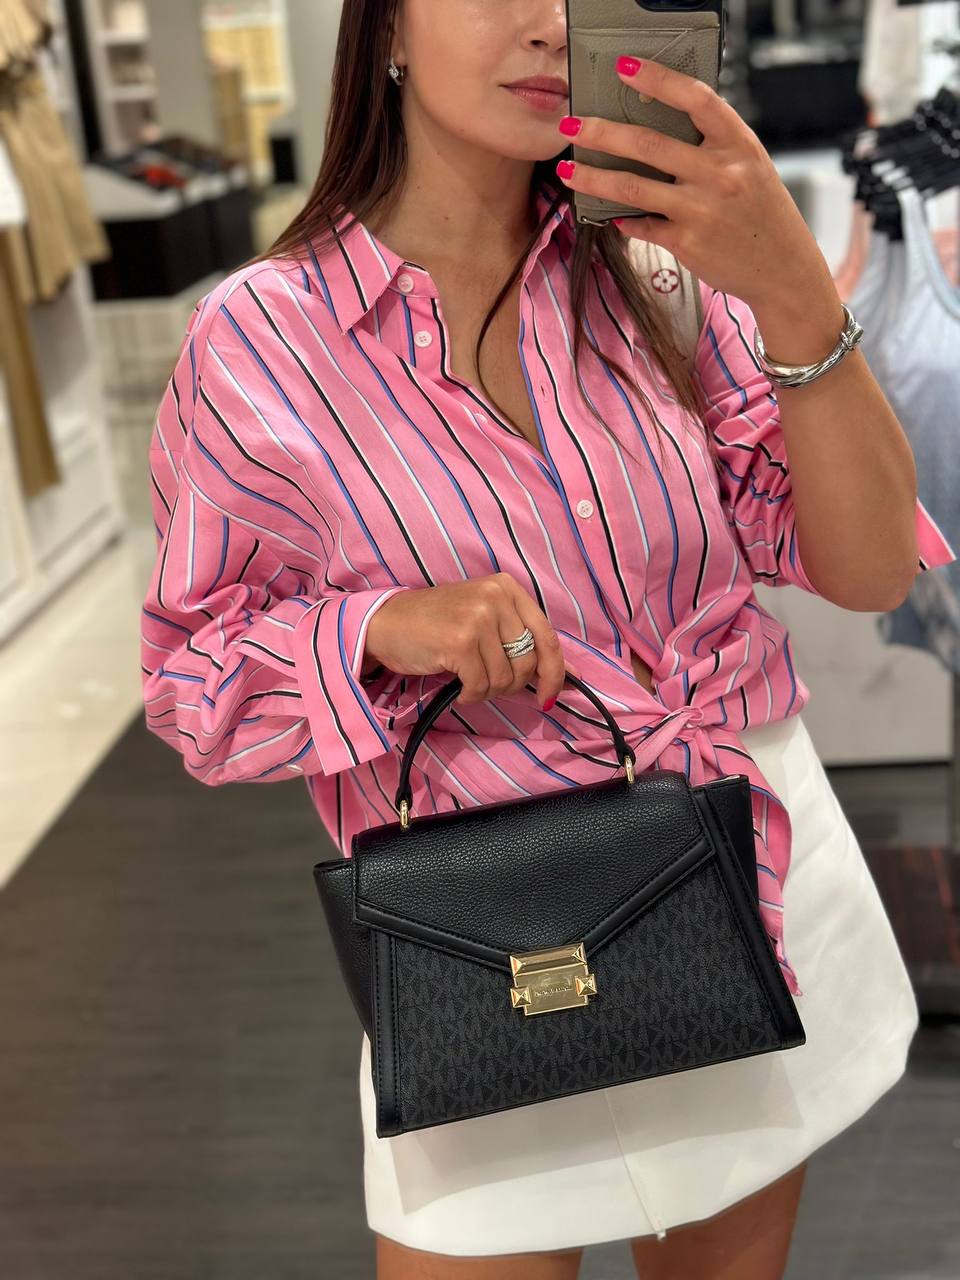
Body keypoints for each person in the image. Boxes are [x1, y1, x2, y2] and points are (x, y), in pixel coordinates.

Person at [140, 2, 956, 1277]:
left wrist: (795, 286)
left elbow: (869, 566)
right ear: (387, 28)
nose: (547, 23)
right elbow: (196, 684)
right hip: (486, 940)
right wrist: (376, 626)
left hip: (741, 872)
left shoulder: (661, 279)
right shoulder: (260, 346)